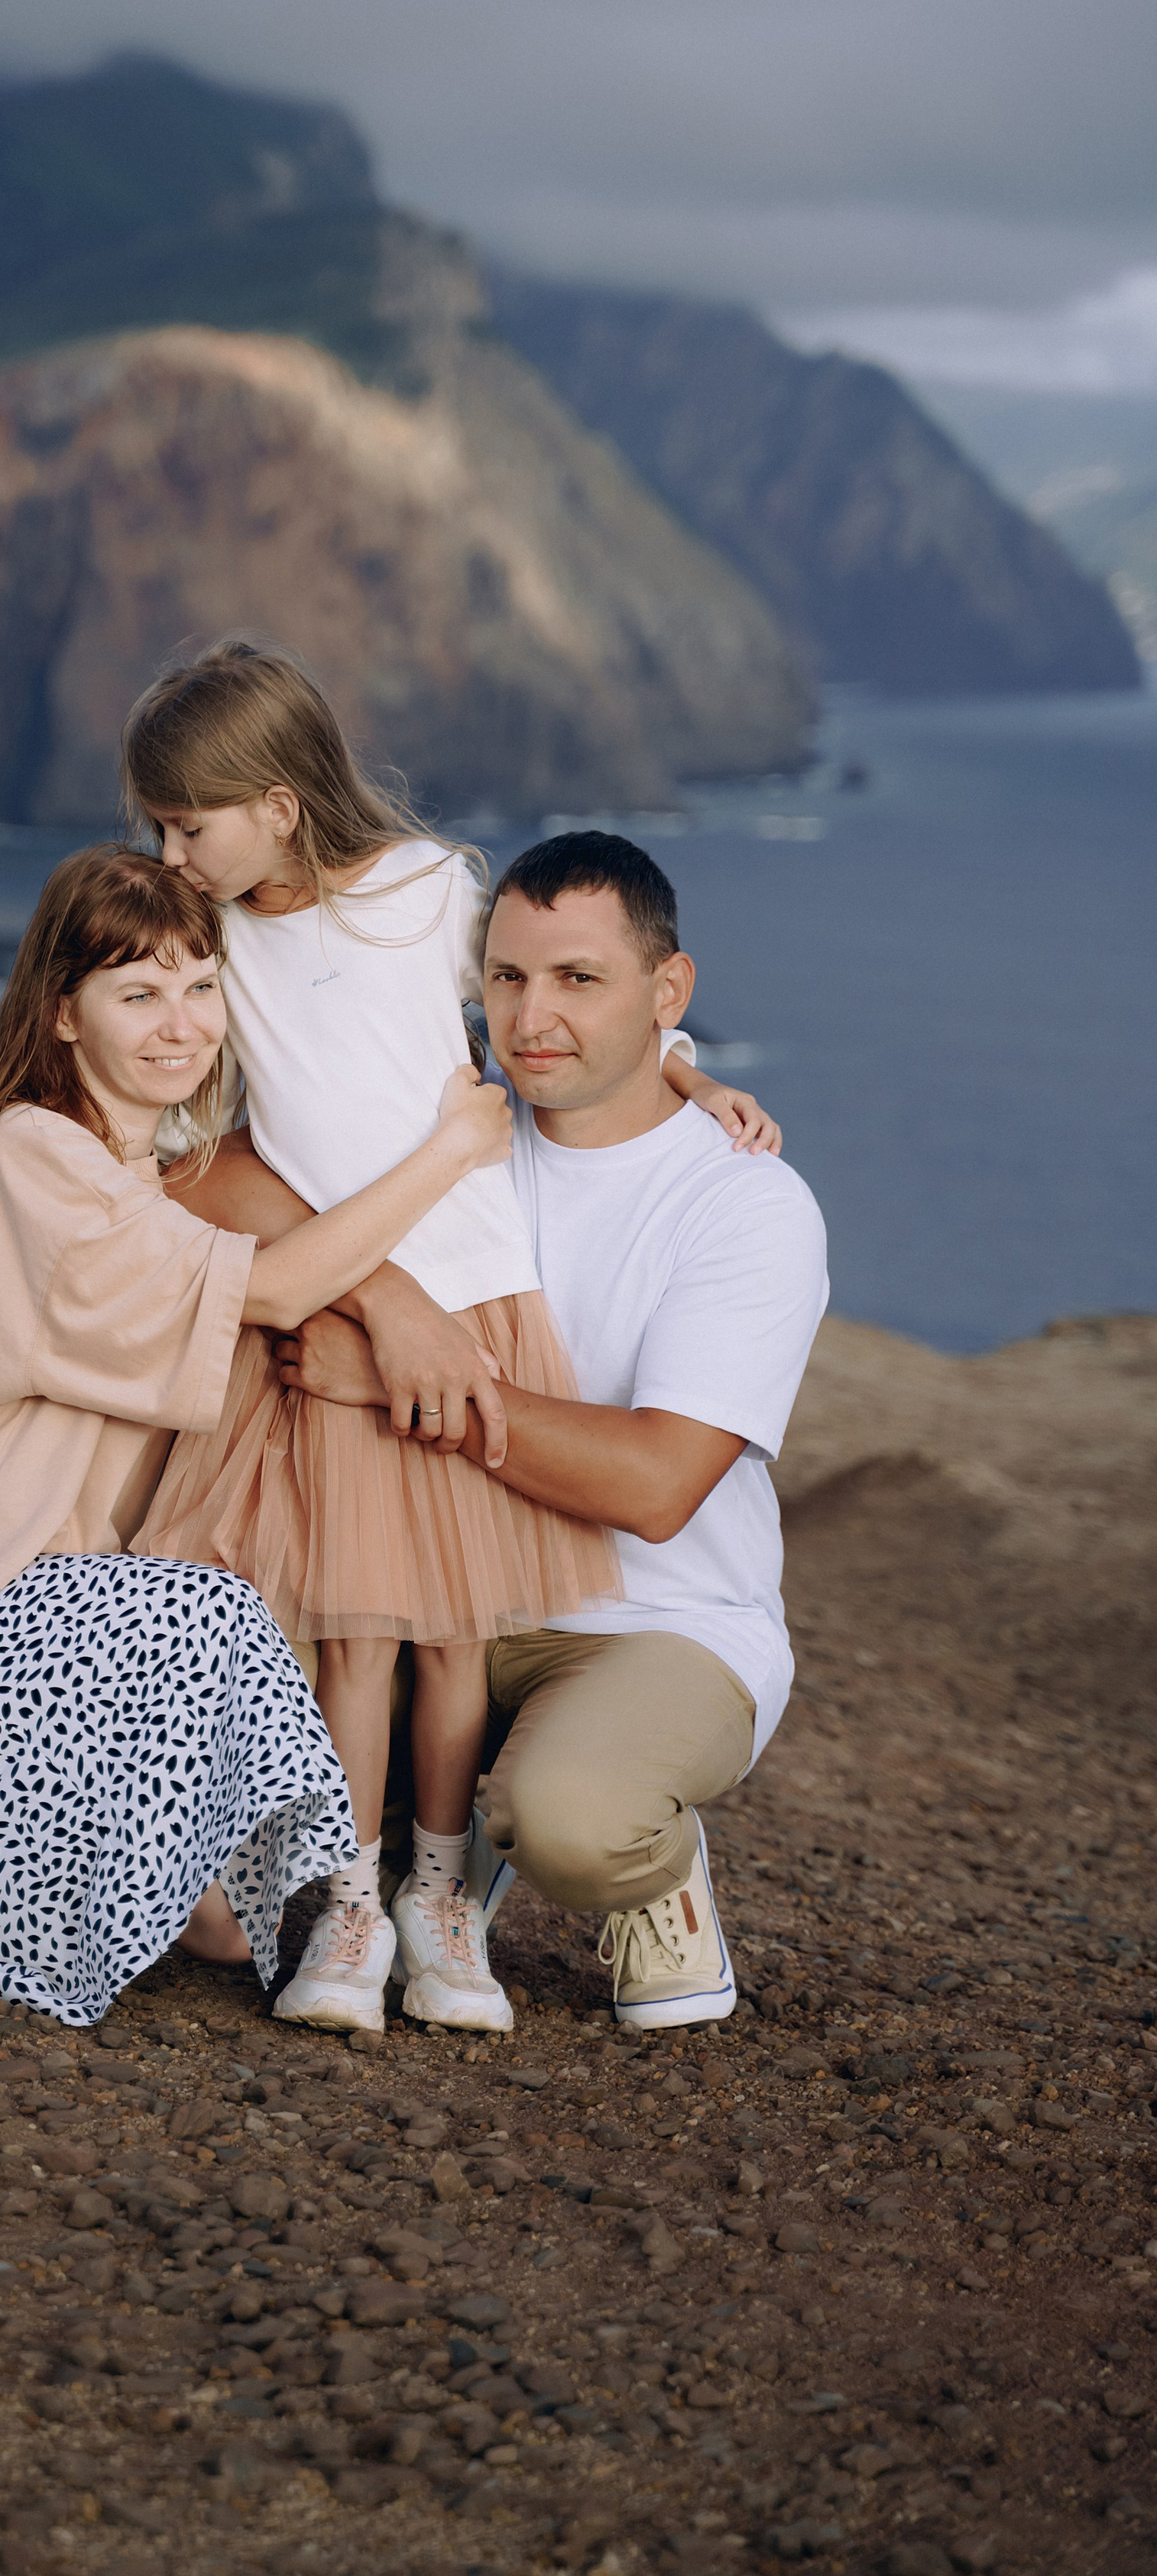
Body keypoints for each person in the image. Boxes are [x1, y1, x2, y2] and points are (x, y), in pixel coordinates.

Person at [123, 643, 776, 2036]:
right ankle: (346, 1897)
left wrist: (690, 1069)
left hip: (550, 1441)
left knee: (487, 1691)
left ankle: (467, 1885)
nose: (169, 854)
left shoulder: (425, 891)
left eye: (190, 824)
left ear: (280, 804)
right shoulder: (236, 948)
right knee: (342, 1663)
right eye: (159, 828)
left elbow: (560, 982)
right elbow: (216, 1151)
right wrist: (381, 1304)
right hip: (367, 1342)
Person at [0, 843, 515, 2027]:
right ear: (62, 1015)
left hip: (32, 1604)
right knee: (211, 1615)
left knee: (219, 1923)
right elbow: (272, 1289)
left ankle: (371, 1889)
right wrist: (453, 1151)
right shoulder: (38, 1158)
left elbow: (283, 1190)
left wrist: (676, 1073)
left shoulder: (153, 1164)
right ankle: (366, 1899)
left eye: (199, 987)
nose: (180, 1027)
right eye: (137, 994)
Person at [277, 830, 829, 2029]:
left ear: (666, 992)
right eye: (510, 979)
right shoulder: (460, 1142)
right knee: (242, 1796)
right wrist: (383, 1302)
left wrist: (391, 1377)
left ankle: (645, 1870)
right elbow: (250, 1143)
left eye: (580, 980)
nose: (535, 1018)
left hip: (658, 1623)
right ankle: (450, 1833)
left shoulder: (746, 1202)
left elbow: (656, 1485)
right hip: (450, 1594)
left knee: (574, 1820)